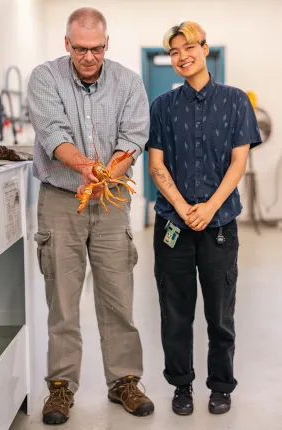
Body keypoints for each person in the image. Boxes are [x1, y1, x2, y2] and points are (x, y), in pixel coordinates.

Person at [27, 7, 154, 425]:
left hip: (112, 199)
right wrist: (84, 168)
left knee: (118, 296)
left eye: (96, 48)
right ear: (67, 44)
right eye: (80, 48)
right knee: (62, 300)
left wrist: (102, 178)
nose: (88, 56)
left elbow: (133, 137)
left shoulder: (129, 83)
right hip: (61, 200)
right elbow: (53, 134)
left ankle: (124, 382)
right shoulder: (46, 78)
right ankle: (61, 388)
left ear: (106, 44)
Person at [147, 21, 262, 416]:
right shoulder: (162, 106)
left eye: (189, 48)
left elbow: (239, 160)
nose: (182, 57)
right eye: (174, 52)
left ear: (205, 48)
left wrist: (210, 207)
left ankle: (221, 385)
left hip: (219, 226)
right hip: (173, 227)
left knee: (220, 312)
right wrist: (182, 208)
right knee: (175, 312)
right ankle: (181, 386)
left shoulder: (235, 101)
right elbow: (156, 164)